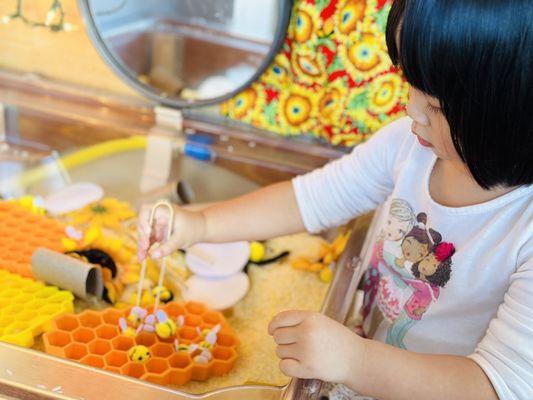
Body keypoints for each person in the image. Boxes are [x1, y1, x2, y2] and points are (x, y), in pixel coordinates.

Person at [137, 1, 532, 398]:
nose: (411, 107)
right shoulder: (408, 146)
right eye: (411, 82)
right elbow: (312, 198)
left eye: (437, 104)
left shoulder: (523, 230)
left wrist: (354, 360)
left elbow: (498, 387)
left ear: (512, 117)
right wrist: (201, 225)